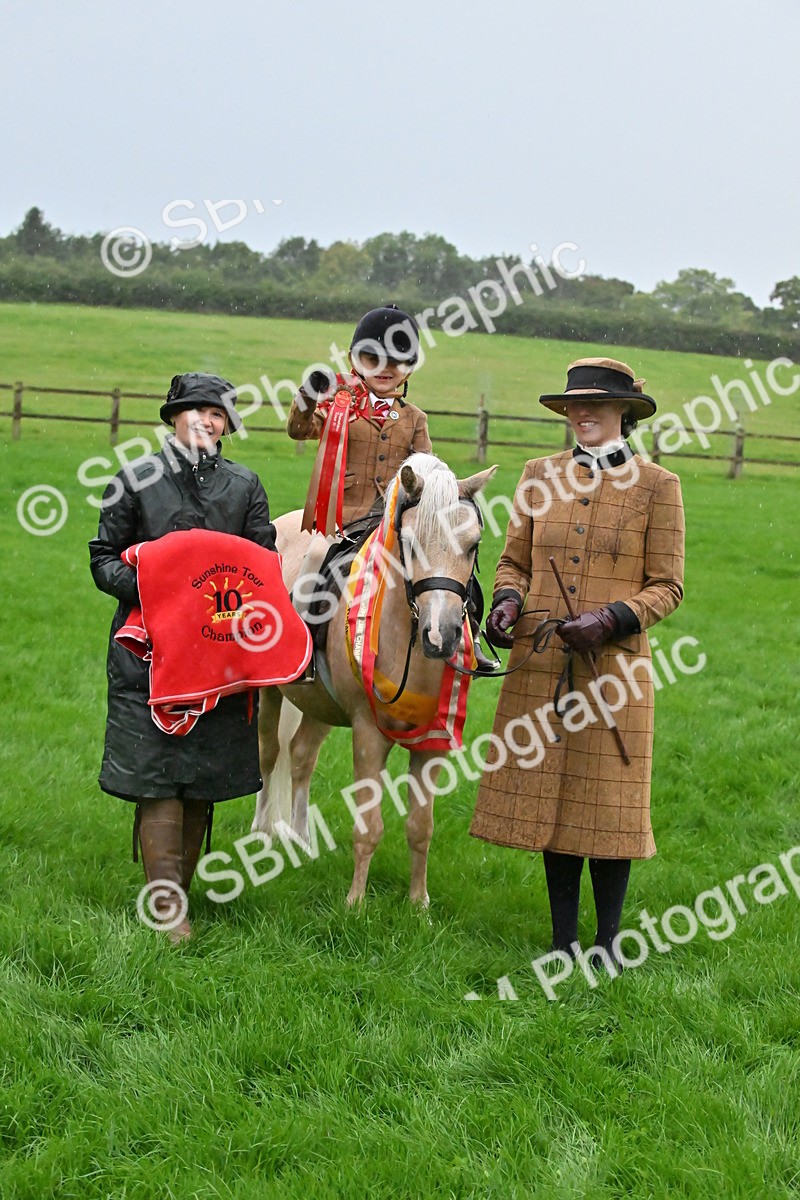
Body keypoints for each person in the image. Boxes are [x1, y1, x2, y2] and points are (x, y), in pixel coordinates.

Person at [469, 358, 685, 969]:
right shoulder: (539, 475)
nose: (581, 415)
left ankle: (608, 941)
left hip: (615, 672)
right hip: (544, 664)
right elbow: (513, 562)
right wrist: (507, 602)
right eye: (572, 406)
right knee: (551, 801)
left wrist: (611, 618)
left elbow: (667, 586)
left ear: (624, 413)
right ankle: (563, 938)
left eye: (594, 405)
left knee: (611, 801)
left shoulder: (658, 487)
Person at [89, 373, 277, 943]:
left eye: (216, 413)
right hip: (145, 654)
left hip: (219, 658)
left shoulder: (245, 487)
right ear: (174, 417)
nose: (205, 420)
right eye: (194, 410)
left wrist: (218, 608)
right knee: (158, 775)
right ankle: (169, 911)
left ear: (226, 424)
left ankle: (175, 895)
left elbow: (263, 568)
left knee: (201, 775)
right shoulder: (133, 479)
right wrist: (162, 595)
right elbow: (103, 560)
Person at [288, 304, 497, 672]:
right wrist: (306, 398)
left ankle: (470, 637)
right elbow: (300, 430)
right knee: (315, 556)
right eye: (373, 358)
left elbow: (429, 467)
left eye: (396, 361)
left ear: (409, 368)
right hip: (345, 524)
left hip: (396, 523)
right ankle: (301, 645)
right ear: (355, 359)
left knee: (452, 564)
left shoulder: (415, 418)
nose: (384, 369)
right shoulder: (340, 405)